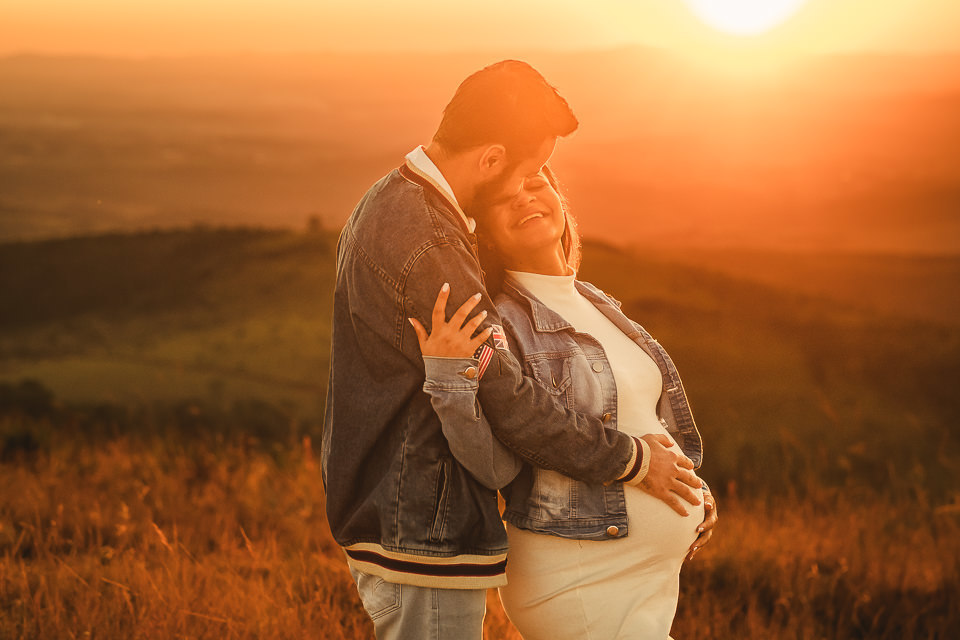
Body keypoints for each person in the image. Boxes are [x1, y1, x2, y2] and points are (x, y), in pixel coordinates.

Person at [322, 60, 705, 640]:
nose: (536, 182)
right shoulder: (428, 243)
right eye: (529, 167)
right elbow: (508, 400)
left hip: (419, 518)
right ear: (492, 158)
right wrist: (634, 462)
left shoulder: (397, 203)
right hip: (422, 521)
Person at [410, 166, 718, 639]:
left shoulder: (596, 302)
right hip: (581, 577)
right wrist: (448, 379)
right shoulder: (501, 325)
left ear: (559, 198)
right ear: (483, 231)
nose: (525, 198)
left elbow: (643, 417)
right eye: (503, 197)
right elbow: (495, 467)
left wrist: (691, 486)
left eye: (536, 184)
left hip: (646, 579)